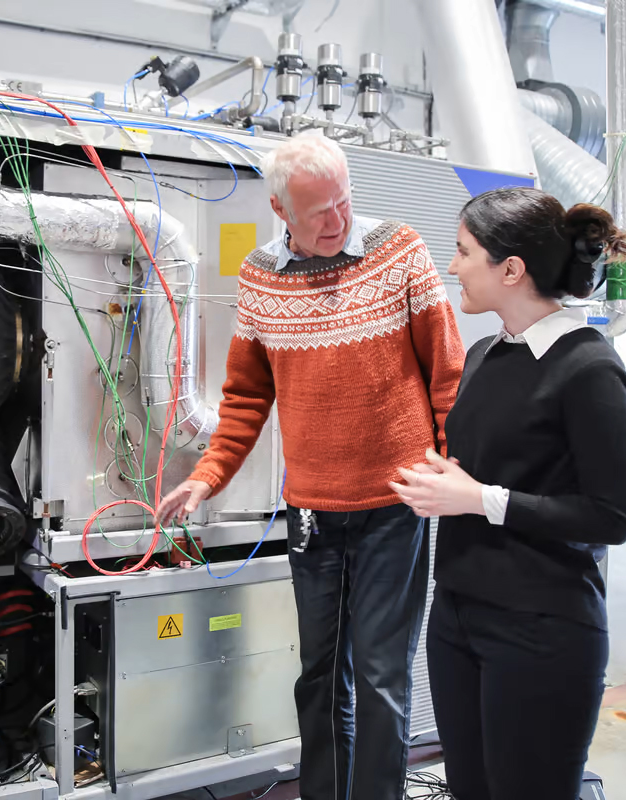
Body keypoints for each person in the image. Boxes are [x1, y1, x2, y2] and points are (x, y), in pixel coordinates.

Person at [157, 133, 465, 800]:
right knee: (320, 674)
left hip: (396, 504)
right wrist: (205, 477)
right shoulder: (261, 277)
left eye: (345, 200)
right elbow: (244, 399)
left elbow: (448, 378)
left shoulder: (400, 251)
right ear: (278, 209)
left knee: (382, 677)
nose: (339, 220)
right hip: (313, 512)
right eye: (319, 210)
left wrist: (450, 474)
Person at [390, 187, 626, 800]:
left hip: (542, 627)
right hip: (457, 614)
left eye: (463, 252)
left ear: (511, 269)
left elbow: (611, 516)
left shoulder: (589, 370)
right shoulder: (483, 355)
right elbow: (486, 467)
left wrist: (479, 500)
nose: (453, 268)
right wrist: (437, 480)